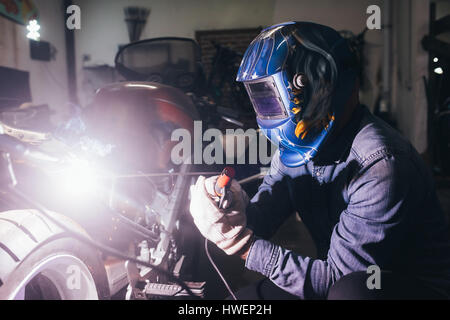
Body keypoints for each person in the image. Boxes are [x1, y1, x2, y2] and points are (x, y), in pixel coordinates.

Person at [189, 21, 450, 300]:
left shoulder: (380, 165)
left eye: (272, 97)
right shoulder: (297, 149)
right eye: (261, 99)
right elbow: (262, 219)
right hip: (339, 279)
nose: (269, 113)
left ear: (319, 83)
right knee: (240, 302)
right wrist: (231, 210)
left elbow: (335, 279)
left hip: (409, 288)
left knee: (351, 292)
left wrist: (243, 245)